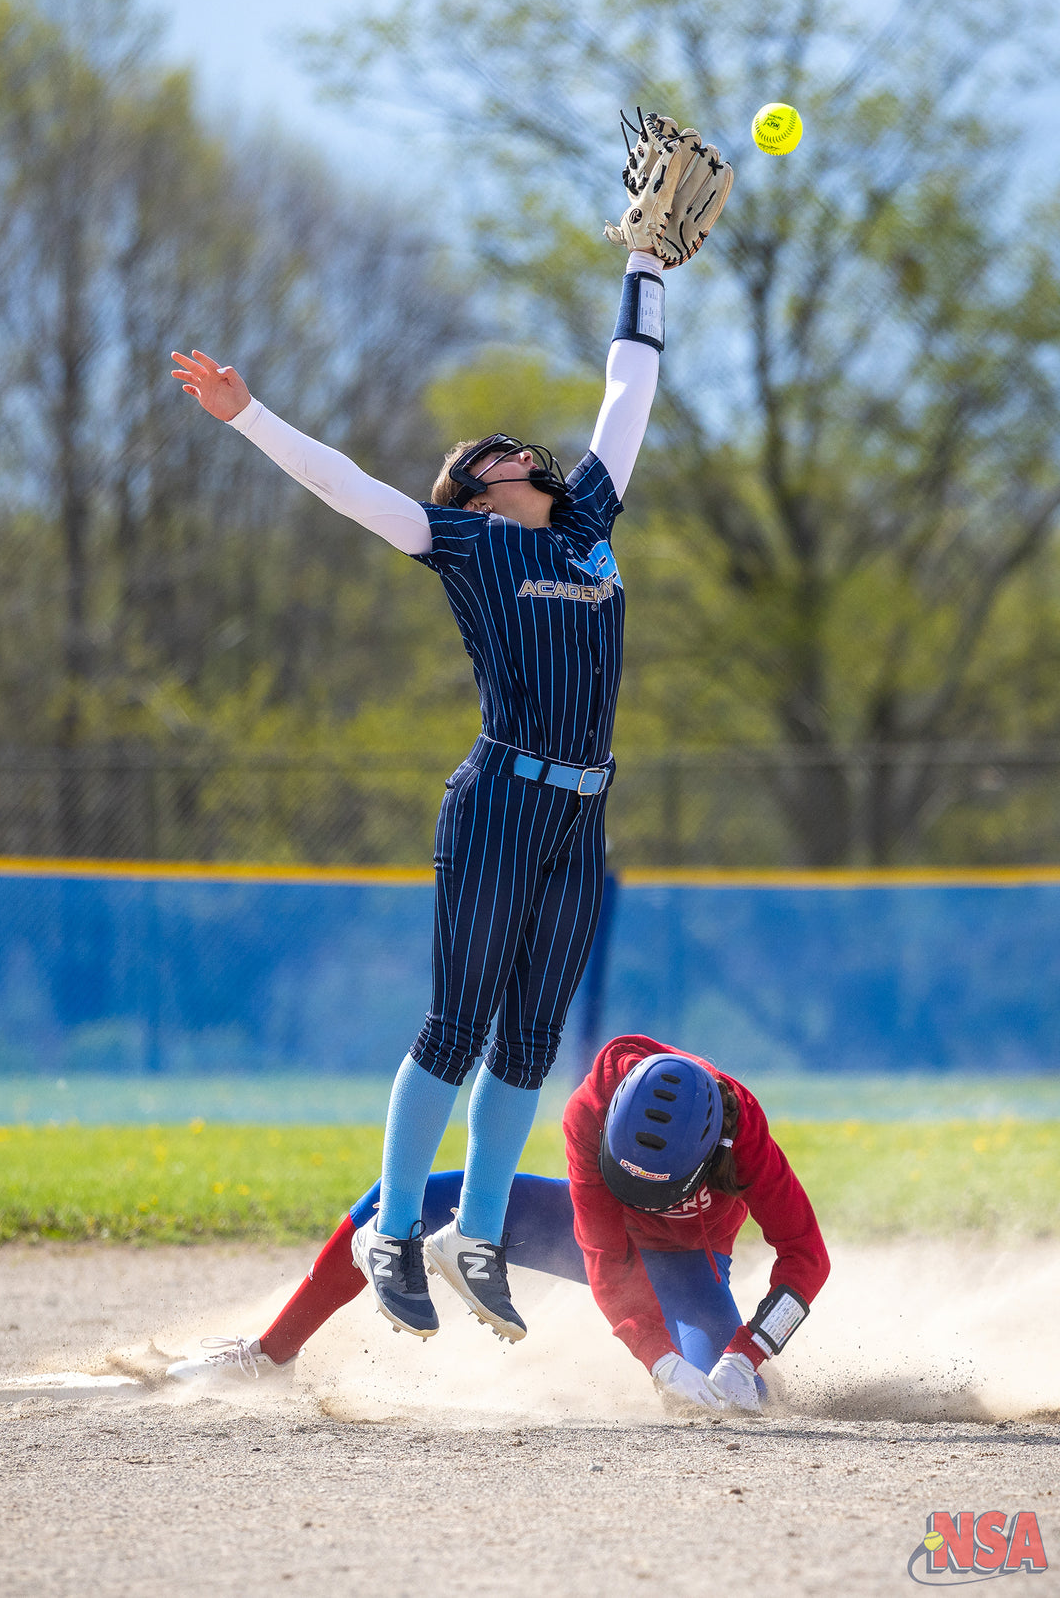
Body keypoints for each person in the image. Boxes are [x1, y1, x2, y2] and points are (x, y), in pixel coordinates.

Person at [171, 120, 732, 1349]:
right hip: (498, 800)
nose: (511, 446)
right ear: (473, 490)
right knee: (458, 1019)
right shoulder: (466, 543)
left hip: (583, 806)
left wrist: (643, 264)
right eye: (484, 454)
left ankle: (476, 1234)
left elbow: (629, 388)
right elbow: (351, 487)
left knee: (532, 1033)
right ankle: (390, 1233)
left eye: (511, 446)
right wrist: (247, 413)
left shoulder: (583, 521)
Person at [168, 1034, 829, 1411]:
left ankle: (735, 1365)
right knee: (406, 1204)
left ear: (711, 1160)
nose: (638, 1197)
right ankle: (270, 1352)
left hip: (690, 1261)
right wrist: (654, 1355)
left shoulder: (747, 1146)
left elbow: (807, 1257)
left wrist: (750, 1350)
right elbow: (604, 1256)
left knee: (731, 1405)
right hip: (599, 1241)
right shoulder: (590, 1111)